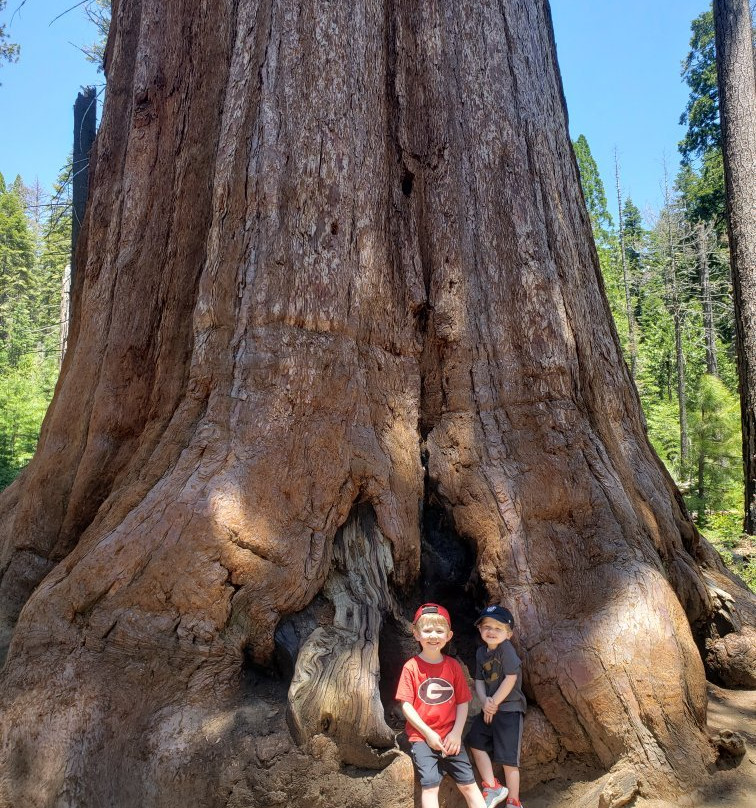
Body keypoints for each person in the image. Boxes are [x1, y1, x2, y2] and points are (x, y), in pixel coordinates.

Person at [395, 603, 490, 808]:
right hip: (421, 738)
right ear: (416, 633)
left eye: (439, 631)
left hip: (450, 738)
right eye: (427, 630)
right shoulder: (411, 667)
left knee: (469, 785)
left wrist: (456, 734)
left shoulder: (453, 666)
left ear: (448, 635)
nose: (433, 636)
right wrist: (428, 734)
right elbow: (406, 706)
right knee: (430, 786)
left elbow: (463, 702)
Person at [467, 605, 527, 808]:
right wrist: (485, 702)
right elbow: (479, 680)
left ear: (508, 634)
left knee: (509, 758)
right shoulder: (480, 653)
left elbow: (511, 677)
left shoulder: (506, 649)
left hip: (509, 708)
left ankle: (514, 801)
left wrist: (494, 703)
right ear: (480, 630)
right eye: (487, 627)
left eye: (498, 628)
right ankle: (492, 786)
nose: (491, 631)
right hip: (490, 707)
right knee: (475, 740)